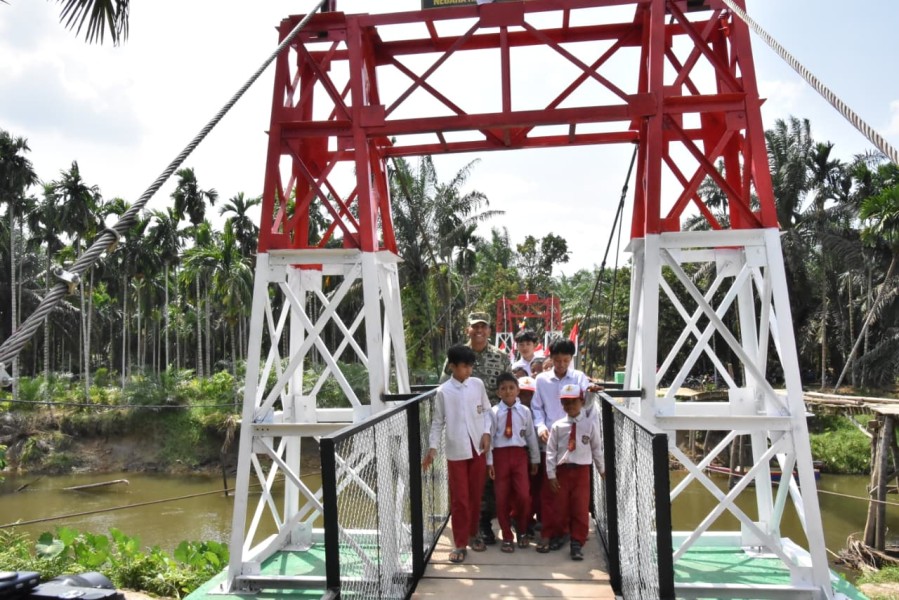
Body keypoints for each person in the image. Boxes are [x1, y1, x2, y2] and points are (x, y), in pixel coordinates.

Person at [440, 311, 512, 545]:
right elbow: (444, 388)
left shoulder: (500, 357)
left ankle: (485, 523)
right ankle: (472, 527)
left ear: (489, 330)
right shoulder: (458, 355)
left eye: (483, 326)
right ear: (468, 330)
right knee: (466, 483)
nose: (479, 331)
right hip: (464, 429)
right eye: (475, 327)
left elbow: (509, 388)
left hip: (493, 424)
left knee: (488, 478)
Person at [423, 344, 493, 564]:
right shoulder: (443, 391)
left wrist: (486, 432)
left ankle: (473, 534)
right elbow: (437, 422)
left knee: (475, 495)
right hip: (456, 450)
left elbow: (488, 412)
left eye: (471, 366)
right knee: (460, 498)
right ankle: (460, 543)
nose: (468, 371)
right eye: (464, 366)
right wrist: (432, 449)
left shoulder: (477, 385)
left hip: (477, 447)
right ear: (452, 366)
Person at [531, 339, 599, 550]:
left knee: (576, 493)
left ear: (571, 360)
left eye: (565, 360)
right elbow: (536, 408)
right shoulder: (541, 380)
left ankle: (572, 533)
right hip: (551, 439)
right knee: (551, 489)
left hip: (577, 442)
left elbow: (587, 403)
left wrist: (593, 390)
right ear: (550, 358)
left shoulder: (579, 377)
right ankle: (553, 531)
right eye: (557, 360)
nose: (561, 364)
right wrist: (541, 427)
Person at [486, 373, 540, 552]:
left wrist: (534, 459)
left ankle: (522, 530)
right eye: (503, 388)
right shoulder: (493, 413)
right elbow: (491, 438)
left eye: (511, 388)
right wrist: (490, 462)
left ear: (517, 390)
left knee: (523, 495)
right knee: (501, 497)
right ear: (498, 393)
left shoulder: (525, 411)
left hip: (519, 456)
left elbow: (531, 436)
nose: (508, 391)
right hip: (500, 455)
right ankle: (507, 536)